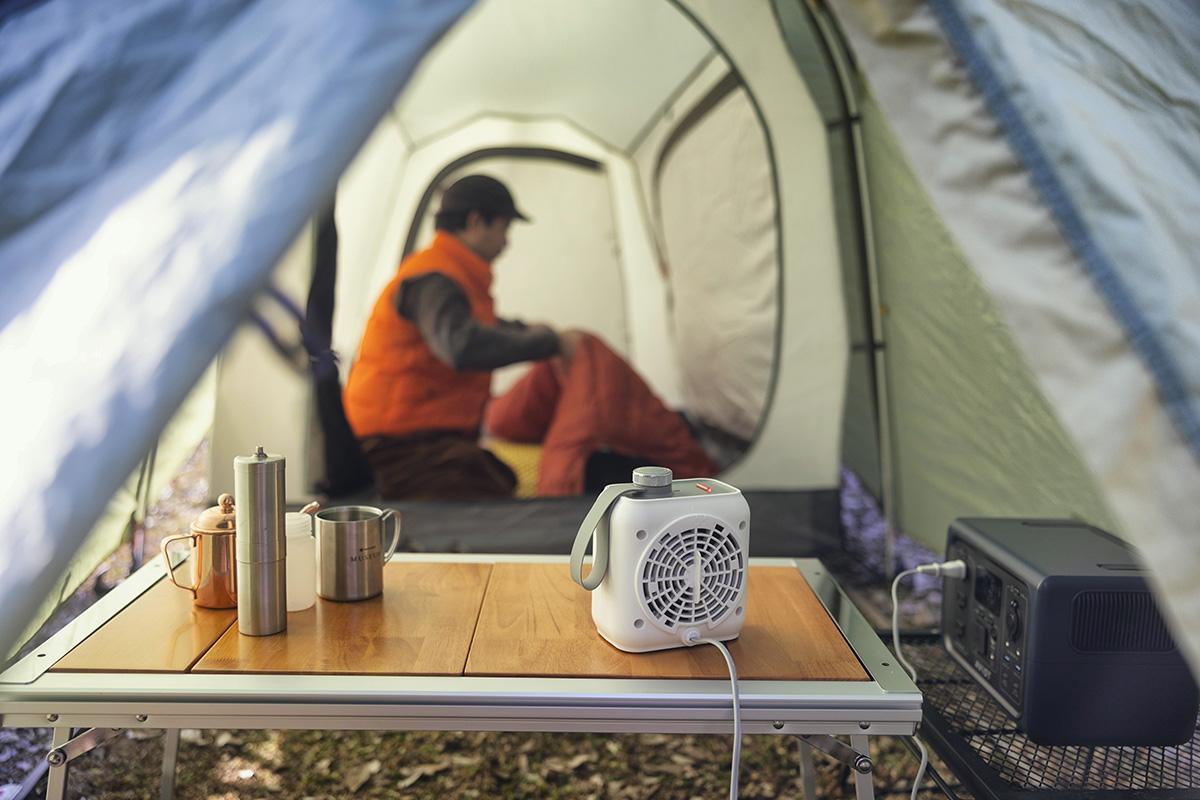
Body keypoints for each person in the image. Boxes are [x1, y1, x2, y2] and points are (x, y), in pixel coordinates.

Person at [343, 174, 580, 500]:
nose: (506, 243)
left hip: (426, 441)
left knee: (499, 477)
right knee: (487, 494)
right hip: (393, 449)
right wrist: (550, 344)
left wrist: (528, 330)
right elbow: (461, 345)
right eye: (504, 229)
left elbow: (480, 325)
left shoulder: (450, 274)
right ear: (475, 221)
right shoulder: (433, 279)